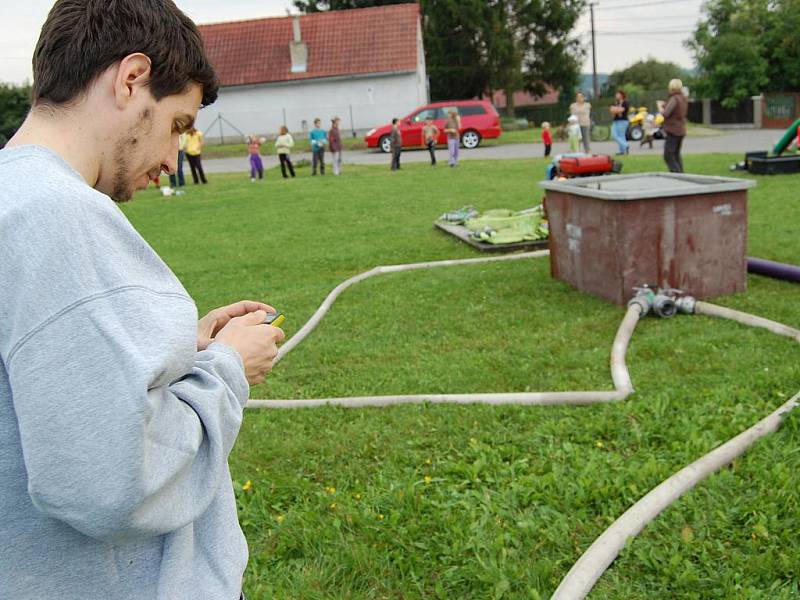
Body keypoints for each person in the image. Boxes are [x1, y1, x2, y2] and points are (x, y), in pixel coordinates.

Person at [0, 2, 285, 599]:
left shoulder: (12, 196)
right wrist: (227, 367)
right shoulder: (57, 216)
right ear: (131, 79)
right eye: (179, 124)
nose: (172, 157)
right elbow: (109, 480)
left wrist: (181, 346)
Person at [661, 78, 688, 172]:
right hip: (681, 129)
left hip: (673, 130)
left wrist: (661, 108)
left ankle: (677, 175)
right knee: (676, 155)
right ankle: (682, 175)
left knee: (668, 155)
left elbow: (666, 113)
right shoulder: (683, 98)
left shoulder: (674, 98)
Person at [609, 89, 630, 156]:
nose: (616, 95)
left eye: (618, 94)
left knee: (621, 136)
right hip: (616, 120)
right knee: (613, 135)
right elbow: (611, 110)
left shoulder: (625, 102)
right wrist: (617, 110)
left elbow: (622, 110)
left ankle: (622, 151)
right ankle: (625, 145)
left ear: (621, 95)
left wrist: (616, 109)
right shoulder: (615, 102)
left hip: (623, 121)